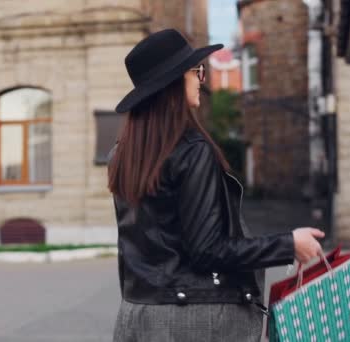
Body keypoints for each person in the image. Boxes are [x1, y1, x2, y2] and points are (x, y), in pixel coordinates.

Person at [107, 28, 324, 342]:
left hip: (136, 316)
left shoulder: (121, 155)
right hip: (192, 321)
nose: (201, 79)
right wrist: (289, 244)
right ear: (174, 82)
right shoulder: (192, 150)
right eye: (197, 71)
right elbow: (208, 250)